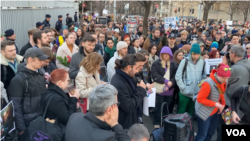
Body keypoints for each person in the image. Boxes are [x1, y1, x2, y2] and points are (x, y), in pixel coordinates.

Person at [7, 48, 48, 140]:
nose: (42, 62)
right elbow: (15, 106)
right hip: (27, 124)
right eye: (39, 60)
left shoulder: (40, 75)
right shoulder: (18, 79)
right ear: (30, 59)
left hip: (40, 120)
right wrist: (21, 128)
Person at [65, 84, 131, 141]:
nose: (117, 107)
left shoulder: (74, 117)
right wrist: (115, 124)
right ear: (109, 110)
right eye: (117, 104)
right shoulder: (106, 137)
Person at [195, 63, 231, 141]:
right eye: (223, 78)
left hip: (214, 111)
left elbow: (222, 93)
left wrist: (223, 104)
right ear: (218, 75)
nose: (225, 80)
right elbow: (200, 99)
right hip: (204, 112)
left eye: (227, 78)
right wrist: (215, 104)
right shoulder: (208, 83)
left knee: (211, 132)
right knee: (202, 135)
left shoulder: (223, 82)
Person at [111, 54, 147, 129]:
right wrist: (141, 89)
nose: (137, 71)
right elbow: (129, 106)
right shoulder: (118, 83)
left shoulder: (127, 77)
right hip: (125, 124)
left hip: (131, 119)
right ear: (128, 67)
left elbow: (135, 82)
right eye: (136, 68)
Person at [41, 69, 79, 137]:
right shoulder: (56, 99)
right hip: (56, 133)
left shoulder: (49, 92)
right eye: (67, 80)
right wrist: (74, 99)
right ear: (60, 83)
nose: (68, 83)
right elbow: (68, 119)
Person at [175, 43, 206, 116]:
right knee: (181, 111)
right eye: (194, 54)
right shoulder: (184, 61)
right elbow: (178, 76)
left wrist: (200, 88)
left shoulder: (202, 62)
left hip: (195, 94)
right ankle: (179, 126)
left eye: (198, 54)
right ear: (191, 53)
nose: (196, 56)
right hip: (184, 93)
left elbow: (204, 76)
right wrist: (183, 88)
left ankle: (189, 126)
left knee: (190, 112)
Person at [151, 47, 177, 128]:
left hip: (169, 90)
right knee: (158, 106)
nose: (166, 56)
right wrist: (166, 81)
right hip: (159, 90)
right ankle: (157, 122)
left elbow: (175, 75)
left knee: (167, 107)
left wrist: (171, 82)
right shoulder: (156, 63)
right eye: (164, 54)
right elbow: (155, 75)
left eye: (167, 55)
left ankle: (166, 121)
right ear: (161, 55)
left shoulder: (173, 64)